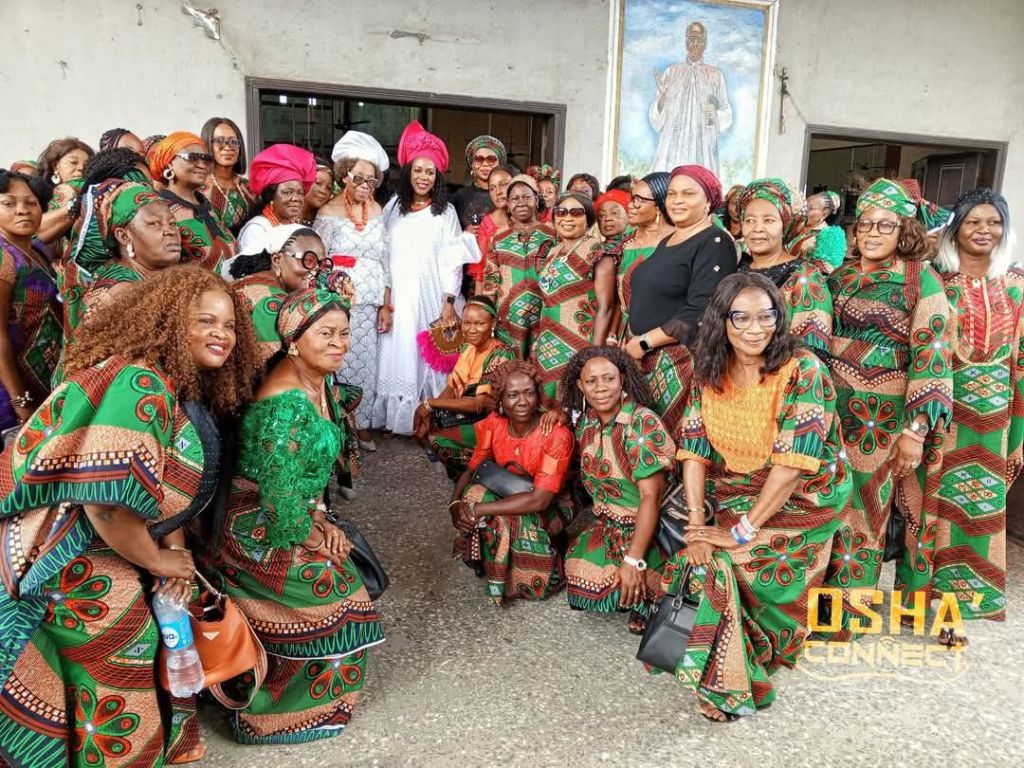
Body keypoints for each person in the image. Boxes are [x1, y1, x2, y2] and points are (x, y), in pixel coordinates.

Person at [0, 265, 257, 767]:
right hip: (71, 559)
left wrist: (175, 555)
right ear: (169, 322)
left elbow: (159, 490)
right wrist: (158, 562)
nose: (222, 335)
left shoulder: (168, 382)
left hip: (107, 549)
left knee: (138, 657)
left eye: (229, 325)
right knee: (119, 680)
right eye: (205, 321)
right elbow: (106, 504)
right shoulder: (139, 385)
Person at [665, 272, 851, 721]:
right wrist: (697, 523)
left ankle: (730, 679)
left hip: (806, 495)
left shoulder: (803, 371)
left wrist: (739, 531)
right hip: (738, 484)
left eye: (766, 316)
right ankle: (729, 658)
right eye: (741, 318)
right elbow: (694, 450)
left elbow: (792, 465)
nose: (755, 329)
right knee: (698, 553)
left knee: (730, 560)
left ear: (779, 318)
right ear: (721, 321)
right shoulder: (708, 371)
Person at [216, 266, 384, 745]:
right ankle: (271, 713)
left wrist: (322, 519)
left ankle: (317, 704)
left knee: (344, 581)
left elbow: (301, 482)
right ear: (293, 340)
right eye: (326, 333)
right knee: (336, 590)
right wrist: (316, 536)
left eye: (344, 333)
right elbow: (276, 495)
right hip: (253, 521)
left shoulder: (319, 382)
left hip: (292, 508)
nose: (339, 343)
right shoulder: (283, 404)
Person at [825, 178, 953, 628]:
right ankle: (818, 607)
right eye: (865, 224)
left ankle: (849, 617)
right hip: (833, 412)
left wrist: (915, 431)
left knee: (867, 509)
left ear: (905, 230)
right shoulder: (839, 277)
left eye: (885, 225)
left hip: (881, 420)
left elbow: (933, 356)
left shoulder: (922, 280)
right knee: (831, 503)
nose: (872, 233)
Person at [910, 189, 1021, 627]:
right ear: (955, 229)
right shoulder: (934, 280)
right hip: (944, 414)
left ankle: (959, 610)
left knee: (980, 511)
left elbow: (1022, 360)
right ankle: (919, 601)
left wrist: (1018, 432)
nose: (983, 230)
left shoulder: (1016, 286)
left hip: (994, 423)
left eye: (993, 222)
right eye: (973, 221)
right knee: (931, 507)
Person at [561, 346, 676, 631]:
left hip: (651, 529)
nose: (601, 387)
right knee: (579, 571)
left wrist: (633, 560)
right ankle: (635, 592)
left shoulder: (641, 423)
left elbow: (650, 497)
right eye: (591, 381)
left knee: (621, 578)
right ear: (580, 386)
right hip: (611, 525)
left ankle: (651, 593)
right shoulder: (588, 423)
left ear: (622, 379)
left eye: (609, 379)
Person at [448, 360, 574, 603]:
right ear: (501, 400)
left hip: (551, 503)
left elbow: (540, 500)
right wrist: (454, 504)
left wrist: (480, 509)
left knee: (503, 520)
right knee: (473, 494)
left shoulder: (556, 435)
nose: (523, 401)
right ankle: (494, 561)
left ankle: (547, 556)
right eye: (513, 395)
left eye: (529, 393)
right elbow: (473, 469)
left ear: (538, 395)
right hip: (509, 492)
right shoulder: (495, 422)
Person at [374, 121, 465, 435]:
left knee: (430, 355)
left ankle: (428, 416)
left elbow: (454, 261)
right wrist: (385, 301)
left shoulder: (445, 212)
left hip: (431, 295)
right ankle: (398, 419)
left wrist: (449, 302)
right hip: (399, 296)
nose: (423, 177)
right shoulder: (392, 208)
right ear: (408, 172)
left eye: (430, 172)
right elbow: (382, 256)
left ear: (437, 177)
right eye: (418, 170)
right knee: (398, 352)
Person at [316, 132, 393, 447]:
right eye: (358, 177)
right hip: (340, 302)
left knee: (367, 366)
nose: (364, 185)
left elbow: (386, 260)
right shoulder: (327, 212)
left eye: (371, 180)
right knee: (340, 361)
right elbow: (319, 261)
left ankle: (362, 423)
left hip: (371, 302)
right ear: (344, 175)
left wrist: (387, 304)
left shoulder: (378, 211)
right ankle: (340, 424)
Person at [624, 165, 736, 355]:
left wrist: (645, 342)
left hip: (680, 358)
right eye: (672, 194)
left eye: (688, 194)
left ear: (708, 201)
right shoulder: (668, 241)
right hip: (643, 353)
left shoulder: (715, 241)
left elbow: (702, 310)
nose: (677, 201)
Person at [63, 180, 182, 354]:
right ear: (124, 236)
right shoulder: (119, 291)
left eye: (172, 223)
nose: (170, 231)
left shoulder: (159, 276)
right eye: (154, 224)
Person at [416, 295, 515, 478]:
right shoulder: (468, 348)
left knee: (439, 441)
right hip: (469, 415)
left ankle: (476, 476)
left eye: (479, 324)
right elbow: (452, 387)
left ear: (493, 324)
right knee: (426, 425)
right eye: (467, 323)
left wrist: (430, 403)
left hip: (490, 422)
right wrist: (431, 412)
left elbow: (481, 405)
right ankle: (462, 478)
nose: (472, 329)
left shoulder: (500, 353)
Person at [736, 178, 832, 358]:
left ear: (785, 226)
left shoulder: (805, 277)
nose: (757, 228)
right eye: (749, 220)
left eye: (769, 220)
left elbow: (811, 354)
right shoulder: (738, 269)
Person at [535, 193, 615, 399]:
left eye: (576, 213)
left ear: (588, 219)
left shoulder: (597, 252)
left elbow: (606, 307)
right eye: (561, 212)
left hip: (579, 341)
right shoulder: (552, 252)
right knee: (548, 400)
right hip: (548, 341)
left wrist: (595, 353)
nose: (567, 218)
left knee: (574, 398)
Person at [0, 169, 61, 430]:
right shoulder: (4, 258)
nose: (22, 210)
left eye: (31, 203)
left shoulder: (36, 250)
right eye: (8, 204)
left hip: (40, 382)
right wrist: (20, 402)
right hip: (10, 392)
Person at [482, 174, 555, 358]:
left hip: (544, 316)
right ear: (508, 204)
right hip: (507, 319)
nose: (521, 202)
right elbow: (490, 281)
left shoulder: (552, 234)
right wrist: (487, 316)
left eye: (526, 197)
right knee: (508, 368)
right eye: (514, 198)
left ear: (536, 200)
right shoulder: (498, 238)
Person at [230, 223, 322, 366]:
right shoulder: (273, 303)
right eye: (309, 260)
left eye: (321, 264)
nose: (316, 270)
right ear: (277, 260)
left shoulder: (250, 282)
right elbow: (276, 365)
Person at [649, 21, 732, 176]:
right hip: (675, 145)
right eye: (692, 38)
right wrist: (663, 98)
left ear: (705, 43)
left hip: (703, 144)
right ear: (686, 41)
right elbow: (657, 120)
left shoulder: (715, 75)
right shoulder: (672, 72)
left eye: (700, 39)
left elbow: (726, 110)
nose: (696, 44)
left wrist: (714, 115)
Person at [148, 132, 235, 272]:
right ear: (170, 163)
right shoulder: (159, 209)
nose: (202, 165)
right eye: (191, 157)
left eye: (206, 159)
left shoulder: (208, 205)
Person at [234, 144, 318, 264]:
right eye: (287, 192)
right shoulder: (256, 229)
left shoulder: (298, 228)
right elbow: (252, 271)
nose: (296, 198)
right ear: (271, 197)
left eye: (300, 193)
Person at [33, 138, 95, 247]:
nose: (81, 168)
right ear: (55, 165)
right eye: (73, 162)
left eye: (87, 165)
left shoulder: (68, 189)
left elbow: (34, 230)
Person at [200, 117, 256, 234]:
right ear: (207, 144)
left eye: (233, 142)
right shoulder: (199, 188)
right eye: (219, 141)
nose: (227, 147)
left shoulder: (250, 187)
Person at [471, 163, 515, 290]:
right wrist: (478, 298)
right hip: (497, 292)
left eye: (503, 184)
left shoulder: (533, 220)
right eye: (492, 188)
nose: (498, 192)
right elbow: (481, 270)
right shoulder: (488, 223)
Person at [451, 135, 507, 221]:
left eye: (491, 159)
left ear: (499, 164)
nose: (485, 164)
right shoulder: (459, 197)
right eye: (479, 159)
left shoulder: (509, 194)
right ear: (472, 164)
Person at [789, 189, 846, 270]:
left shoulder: (831, 237)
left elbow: (829, 270)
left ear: (824, 214)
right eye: (804, 204)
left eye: (810, 208)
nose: (804, 209)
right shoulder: (795, 225)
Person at [302, 159, 334, 225]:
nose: (323, 191)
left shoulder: (326, 223)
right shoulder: (282, 215)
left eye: (329, 188)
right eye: (318, 183)